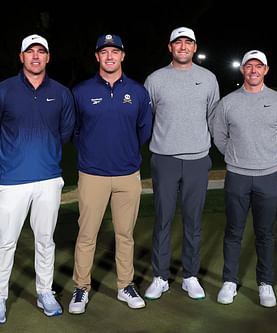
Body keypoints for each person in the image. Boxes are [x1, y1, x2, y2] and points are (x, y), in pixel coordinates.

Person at [0, 34, 76, 325]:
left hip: (48, 178)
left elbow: (65, 131)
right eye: (30, 52)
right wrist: (13, 154)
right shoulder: (3, 91)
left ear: (48, 57)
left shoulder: (61, 93)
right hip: (12, 180)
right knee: (5, 242)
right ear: (21, 57)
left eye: (41, 52)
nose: (36, 56)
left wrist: (43, 154)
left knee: (46, 241)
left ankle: (45, 292)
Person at [68, 34, 153, 314]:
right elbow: (74, 131)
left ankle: (125, 285)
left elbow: (144, 129)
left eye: (114, 51)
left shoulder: (138, 92)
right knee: (87, 235)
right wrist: (93, 152)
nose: (109, 56)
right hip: (93, 174)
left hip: (128, 174)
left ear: (123, 56)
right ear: (97, 57)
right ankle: (81, 288)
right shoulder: (80, 91)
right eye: (104, 52)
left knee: (125, 234)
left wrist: (124, 151)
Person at [212, 50, 277, 307]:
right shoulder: (228, 102)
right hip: (236, 175)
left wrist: (268, 156)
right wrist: (237, 156)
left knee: (265, 233)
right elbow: (219, 136)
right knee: (234, 231)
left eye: (259, 66)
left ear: (266, 70)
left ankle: (265, 283)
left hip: (267, 177)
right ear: (242, 70)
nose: (253, 71)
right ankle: (229, 281)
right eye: (249, 66)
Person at [143, 27, 220, 300]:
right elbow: (147, 117)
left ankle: (190, 276)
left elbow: (213, 117)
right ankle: (160, 276)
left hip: (198, 159)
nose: (183, 47)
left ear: (195, 48)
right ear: (170, 47)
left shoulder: (208, 79)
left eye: (188, 42)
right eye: (178, 43)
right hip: (165, 159)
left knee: (193, 221)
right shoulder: (155, 79)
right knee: (163, 219)